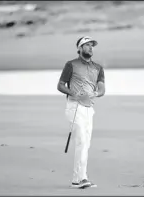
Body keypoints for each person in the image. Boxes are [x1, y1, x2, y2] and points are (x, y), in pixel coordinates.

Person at [57, 36, 105, 188]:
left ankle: (77, 179)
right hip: (74, 106)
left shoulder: (98, 67)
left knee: (86, 144)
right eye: (87, 45)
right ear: (79, 48)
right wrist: (74, 94)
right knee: (82, 142)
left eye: (92, 45)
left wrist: (95, 94)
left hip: (89, 109)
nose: (91, 48)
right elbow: (60, 85)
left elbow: (102, 89)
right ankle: (81, 179)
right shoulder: (71, 64)